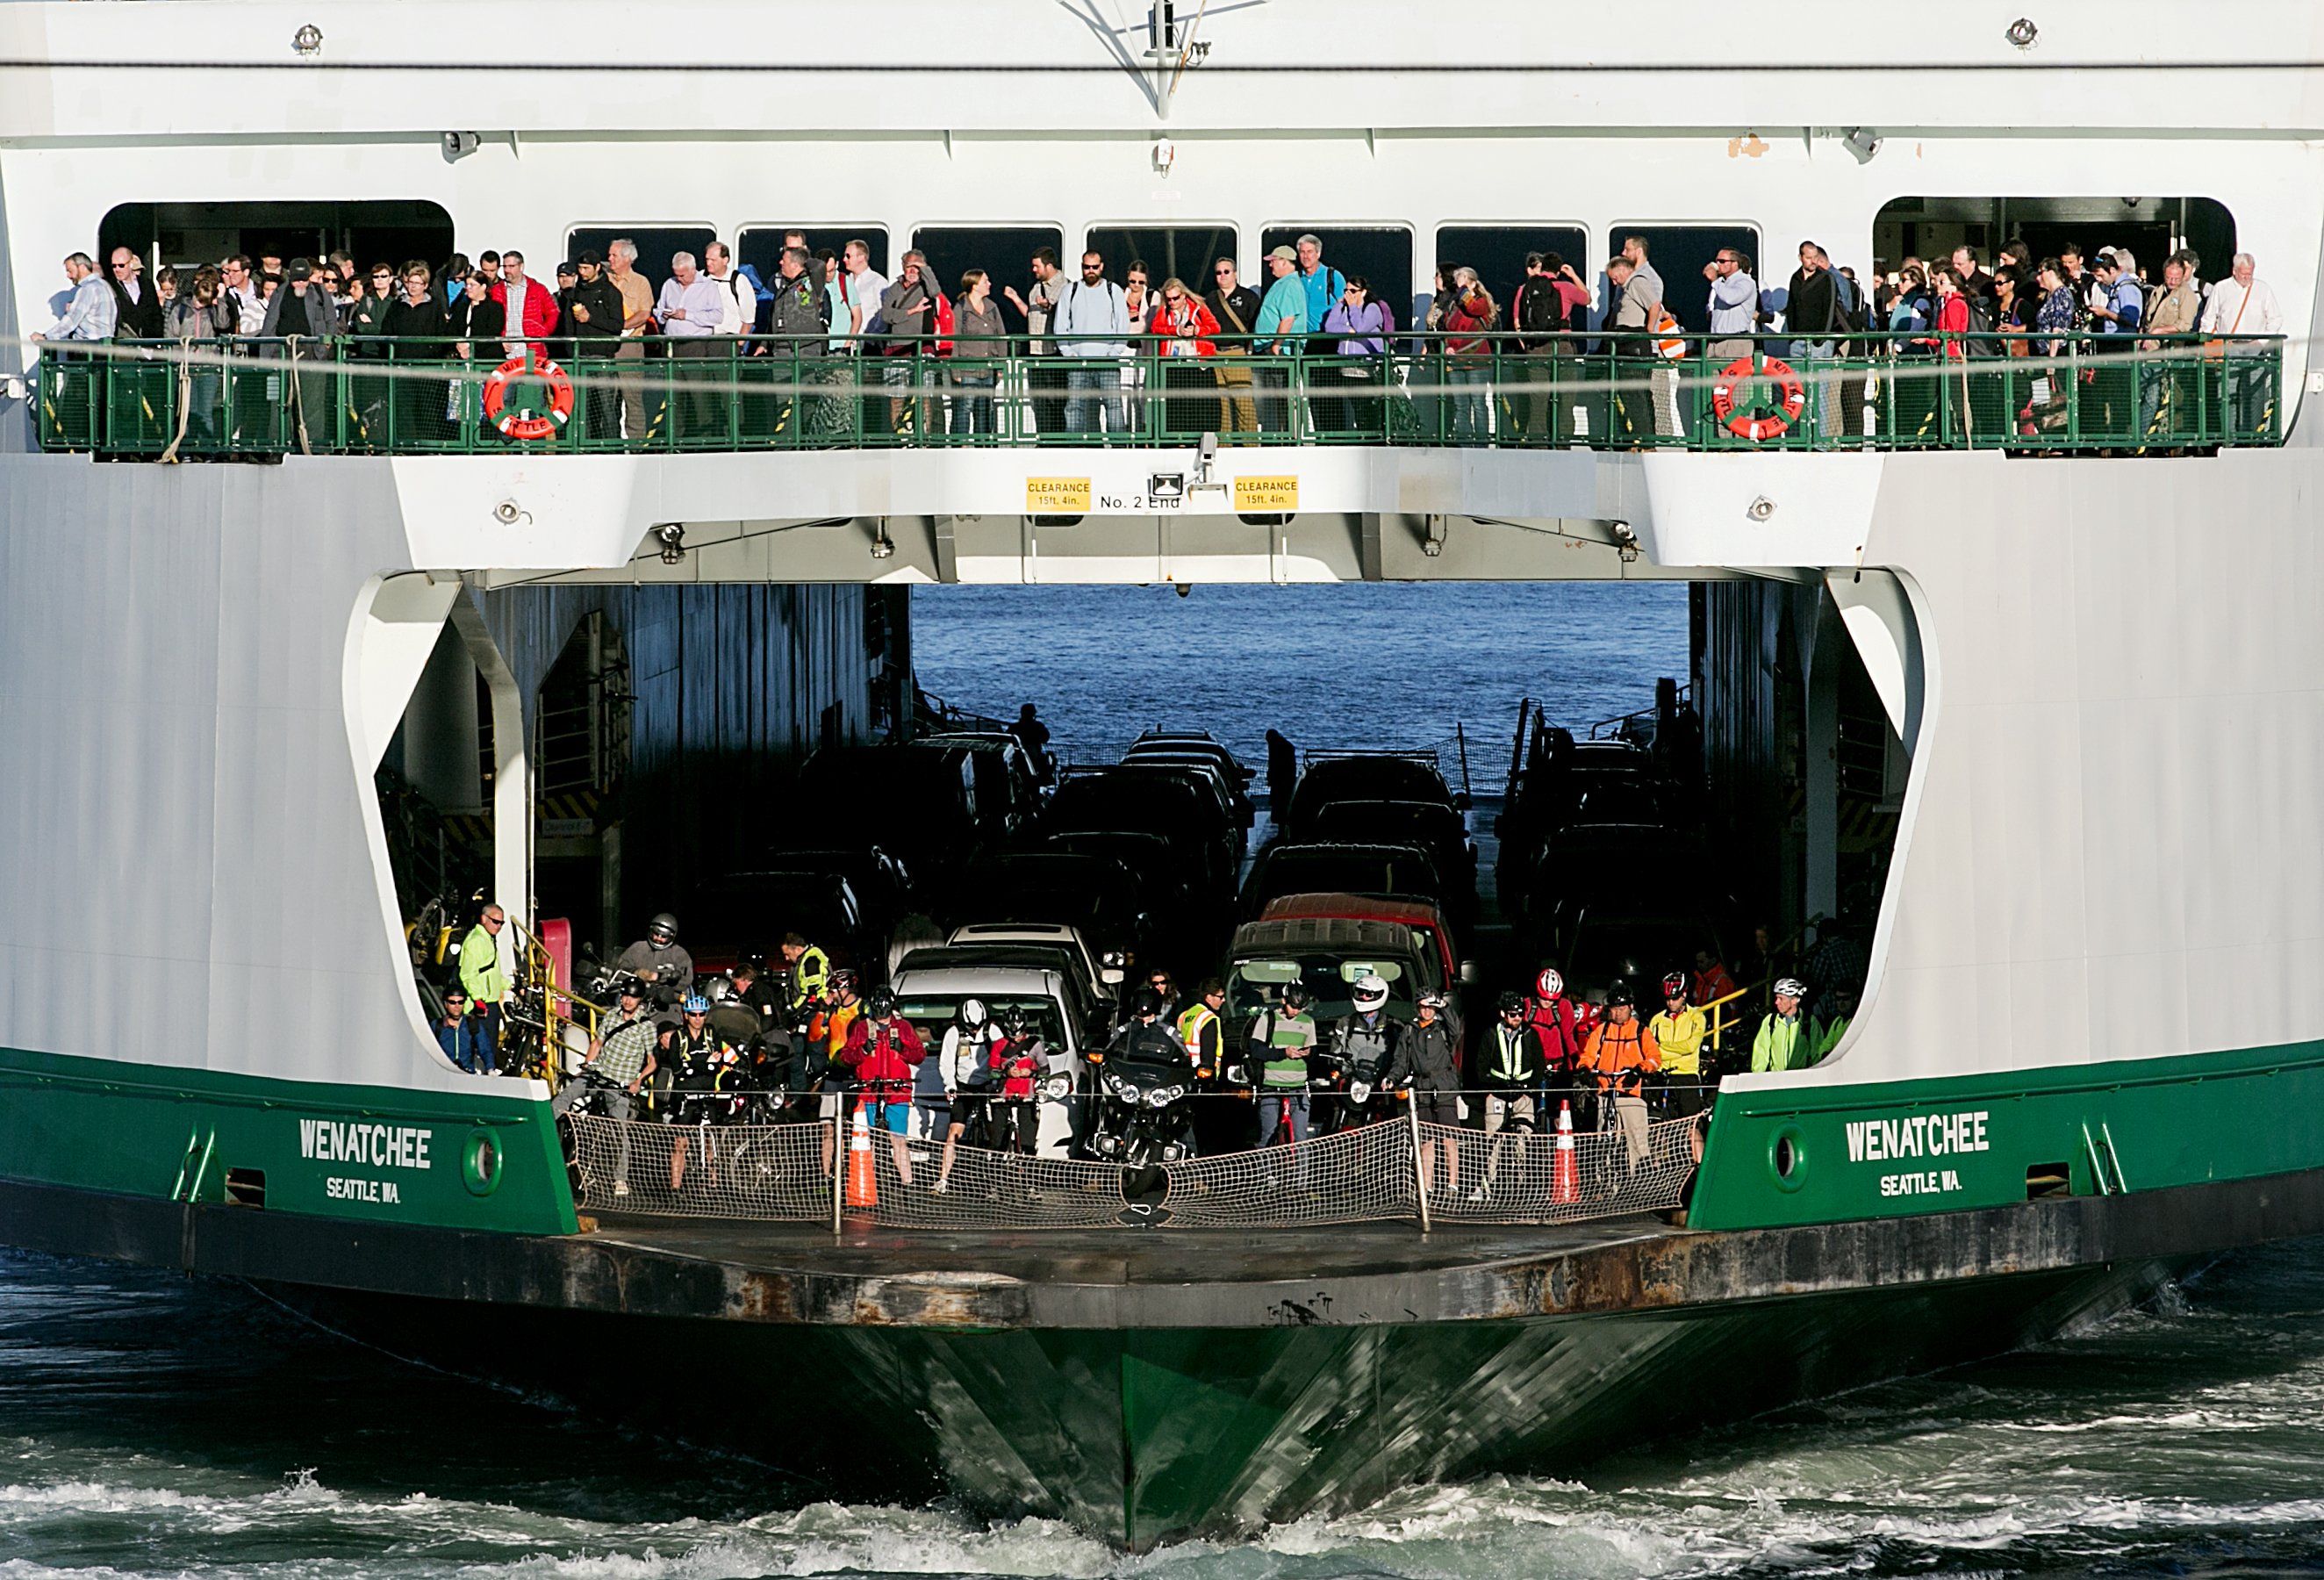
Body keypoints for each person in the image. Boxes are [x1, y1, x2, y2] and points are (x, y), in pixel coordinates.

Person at [550, 980, 658, 1198]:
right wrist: (587, 1065)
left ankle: (620, 1178)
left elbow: (652, 1061)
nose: (627, 1000)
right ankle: (543, 1134)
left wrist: (638, 1081)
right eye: (625, 995)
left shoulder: (646, 1026)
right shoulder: (611, 1016)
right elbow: (597, 1043)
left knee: (619, 1130)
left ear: (640, 1000)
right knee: (566, 1095)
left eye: (632, 997)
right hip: (599, 1073)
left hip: (619, 1083)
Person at [841, 989, 926, 1185]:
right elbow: (846, 1056)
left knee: (899, 1140)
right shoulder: (862, 1028)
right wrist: (863, 1051)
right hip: (869, 1091)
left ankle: (907, 1184)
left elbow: (919, 1055)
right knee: (867, 1140)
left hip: (897, 1091)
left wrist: (903, 1050)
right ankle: (866, 1184)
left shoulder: (903, 1027)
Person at [2200, 253, 2283, 440]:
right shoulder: (2221, 288)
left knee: (2254, 394)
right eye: (2244, 273)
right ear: (2234, 271)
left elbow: (2275, 319)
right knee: (2226, 393)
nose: (2247, 277)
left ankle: (2252, 437)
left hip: (2255, 348)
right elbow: (2208, 319)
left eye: (2250, 273)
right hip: (2229, 346)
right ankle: (2230, 437)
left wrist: (2261, 342)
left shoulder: (2263, 289)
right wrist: (2215, 342)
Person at [1581, 982, 1661, 1176]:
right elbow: (1588, 1055)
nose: (1617, 1013)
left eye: (1622, 1009)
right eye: (1614, 1009)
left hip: (1631, 1094)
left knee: (1638, 1140)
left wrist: (1639, 1070)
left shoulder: (1640, 1031)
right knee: (1603, 1138)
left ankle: (1640, 1178)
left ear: (1631, 1007)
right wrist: (1585, 1070)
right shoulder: (1602, 1031)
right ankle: (1602, 1178)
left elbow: (1654, 1058)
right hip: (1606, 1092)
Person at [1474, 990, 1547, 1199]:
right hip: (1498, 1092)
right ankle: (1487, 1183)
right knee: (1492, 1138)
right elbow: (1481, 1066)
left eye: (1520, 1014)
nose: (1517, 1018)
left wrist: (1530, 1087)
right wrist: (1493, 1084)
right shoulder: (1491, 1034)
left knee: (1524, 1138)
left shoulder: (1530, 1034)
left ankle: (1524, 1183)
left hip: (1523, 1094)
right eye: (1513, 1014)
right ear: (1503, 1014)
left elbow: (1539, 1065)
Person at [663, 995, 736, 1192]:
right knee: (680, 1143)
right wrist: (705, 1063)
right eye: (693, 1014)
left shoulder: (712, 1034)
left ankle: (713, 1185)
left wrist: (693, 1065)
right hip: (685, 1095)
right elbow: (678, 1069)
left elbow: (717, 1066)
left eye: (701, 1014)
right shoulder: (678, 1037)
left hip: (708, 1092)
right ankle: (675, 1188)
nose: (697, 1018)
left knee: (711, 1140)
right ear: (686, 1016)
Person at [1054, 249, 1131, 435]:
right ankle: (1075, 446)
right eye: (1086, 267)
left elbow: (1123, 325)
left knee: (1113, 405)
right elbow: (1060, 325)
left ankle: (1118, 446)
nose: (1090, 271)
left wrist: (1113, 353)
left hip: (1107, 361)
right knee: (1074, 406)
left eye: (1094, 267)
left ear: (1101, 267)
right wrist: (1069, 353)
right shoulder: (1070, 290)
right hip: (1077, 362)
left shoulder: (1113, 290)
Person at [164, 264, 238, 452]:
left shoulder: (212, 310)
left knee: (205, 412)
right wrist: (179, 357)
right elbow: (170, 336)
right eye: (198, 300)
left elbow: (224, 324)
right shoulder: (180, 309)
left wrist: (220, 300)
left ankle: (207, 450)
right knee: (189, 411)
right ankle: (188, 449)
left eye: (204, 302)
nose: (199, 305)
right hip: (186, 367)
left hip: (207, 367)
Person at [933, 999, 1004, 1190]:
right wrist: (950, 1085)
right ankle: (943, 1179)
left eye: (978, 1027)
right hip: (963, 1087)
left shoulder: (993, 1031)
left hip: (988, 1086)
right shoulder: (954, 1033)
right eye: (971, 1027)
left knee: (994, 1131)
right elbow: (946, 1062)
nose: (975, 1030)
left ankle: (995, 1176)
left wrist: (997, 1082)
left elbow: (1002, 1057)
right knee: (954, 1133)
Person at [877, 249, 949, 435]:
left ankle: (925, 436)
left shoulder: (926, 287)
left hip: (922, 347)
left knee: (925, 395)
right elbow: (887, 315)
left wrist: (925, 269)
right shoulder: (894, 288)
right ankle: (898, 436)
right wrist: (911, 311)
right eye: (909, 266)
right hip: (897, 347)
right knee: (896, 396)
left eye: (917, 267)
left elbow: (936, 291)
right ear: (903, 267)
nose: (912, 270)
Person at [655, 251, 725, 440]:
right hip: (671, 346)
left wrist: (688, 315)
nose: (679, 279)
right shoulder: (669, 284)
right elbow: (658, 310)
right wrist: (664, 315)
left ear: (693, 270)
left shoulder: (708, 286)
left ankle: (703, 440)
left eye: (683, 275)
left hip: (695, 346)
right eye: (676, 274)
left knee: (699, 396)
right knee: (674, 397)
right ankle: (675, 440)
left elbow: (717, 316)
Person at [382, 262, 450, 443]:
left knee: (427, 407)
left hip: (427, 365)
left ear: (425, 285)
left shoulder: (434, 306)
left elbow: (441, 334)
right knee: (404, 407)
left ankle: (428, 444)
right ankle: (406, 443)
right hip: (402, 364)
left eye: (417, 283)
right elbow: (387, 331)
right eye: (410, 282)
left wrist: (433, 353)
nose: (412, 287)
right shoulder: (397, 306)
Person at [1247, 981, 1318, 1153]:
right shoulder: (1267, 1019)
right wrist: (1283, 1053)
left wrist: (1309, 1053)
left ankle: (1302, 1171)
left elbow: (1314, 1052)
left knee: (1302, 1139)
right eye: (1293, 1007)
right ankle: (1267, 1169)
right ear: (1284, 1001)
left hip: (1299, 1086)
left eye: (1301, 1008)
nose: (1296, 1011)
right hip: (1271, 1085)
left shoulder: (1308, 1022)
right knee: (1268, 1136)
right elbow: (1257, 1051)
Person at [1002, 247, 1066, 434]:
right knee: (1038, 401)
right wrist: (1015, 298)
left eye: (1037, 266)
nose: (1034, 270)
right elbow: (1031, 315)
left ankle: (1058, 441)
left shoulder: (1065, 285)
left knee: (1056, 401)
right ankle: (1043, 438)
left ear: (1049, 266)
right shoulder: (1036, 287)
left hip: (1053, 352)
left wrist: (1049, 306)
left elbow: (1062, 312)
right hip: (1035, 352)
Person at [561, 251, 625, 439]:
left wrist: (590, 318)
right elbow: (568, 325)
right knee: (581, 407)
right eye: (580, 268)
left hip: (602, 357)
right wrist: (571, 351)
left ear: (597, 267)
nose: (582, 272)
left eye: (586, 268)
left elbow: (617, 325)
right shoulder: (575, 293)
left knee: (606, 406)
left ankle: (611, 445)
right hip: (580, 357)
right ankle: (583, 444)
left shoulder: (611, 292)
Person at [1329, 973, 1403, 1130]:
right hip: (1353, 1081)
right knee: (1335, 1118)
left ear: (1379, 996)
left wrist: (1392, 1076)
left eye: (1368, 994)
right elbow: (1336, 1051)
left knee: (1391, 1122)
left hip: (1380, 1083)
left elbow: (1401, 1055)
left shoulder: (1393, 1025)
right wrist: (1340, 1070)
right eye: (1360, 993)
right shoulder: (1345, 1023)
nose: (1362, 997)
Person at [1407, 988, 1462, 1196]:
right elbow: (1401, 1059)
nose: (1427, 1011)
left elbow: (1456, 1030)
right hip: (1423, 1089)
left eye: (1430, 1007)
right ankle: (1427, 1185)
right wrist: (1391, 1078)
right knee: (1426, 1140)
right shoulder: (1410, 1030)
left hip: (1445, 1087)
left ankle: (1452, 1184)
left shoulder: (1443, 1029)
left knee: (1449, 1138)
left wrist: (1444, 1006)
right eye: (1423, 1007)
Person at [1316, 276, 1388, 435]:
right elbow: (1330, 327)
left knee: (1366, 407)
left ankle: (1370, 437)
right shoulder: (1342, 307)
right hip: (1347, 366)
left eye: (1353, 291)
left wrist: (1354, 308)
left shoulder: (1372, 308)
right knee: (1355, 406)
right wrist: (1348, 330)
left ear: (1363, 292)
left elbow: (1361, 328)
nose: (1349, 294)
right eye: (1346, 290)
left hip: (1366, 367)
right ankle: (1359, 436)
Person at [1154, 276, 1222, 435]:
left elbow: (1215, 327)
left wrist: (1197, 330)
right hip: (1173, 364)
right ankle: (1178, 440)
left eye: (1175, 298)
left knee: (1201, 404)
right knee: (1176, 405)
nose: (1172, 302)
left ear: (1184, 295)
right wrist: (1176, 330)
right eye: (1169, 299)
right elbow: (1156, 328)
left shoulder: (1199, 307)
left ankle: (1201, 439)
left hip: (1198, 362)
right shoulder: (1164, 310)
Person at [1253, 245, 1309, 434]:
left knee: (1281, 399)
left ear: (1284, 262)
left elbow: (1288, 318)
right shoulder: (1283, 283)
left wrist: (1276, 345)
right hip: (1272, 349)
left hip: (1281, 353)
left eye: (1273, 261)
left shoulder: (1290, 285)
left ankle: (1286, 437)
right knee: (1274, 400)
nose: (1270, 265)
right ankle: (1278, 435)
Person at [1205, 257, 1263, 435]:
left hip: (1237, 352)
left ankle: (1250, 444)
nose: (1222, 275)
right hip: (1215, 354)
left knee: (1243, 403)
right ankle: (1224, 444)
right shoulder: (1211, 298)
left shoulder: (1248, 297)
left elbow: (1256, 326)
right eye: (1218, 272)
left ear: (1235, 274)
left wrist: (1249, 350)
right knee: (1221, 404)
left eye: (1226, 271)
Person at [1442, 268, 1496, 442]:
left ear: (1472, 282)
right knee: (1461, 405)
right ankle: (1464, 442)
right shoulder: (1455, 304)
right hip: (1456, 360)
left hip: (1477, 360)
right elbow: (1448, 328)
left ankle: (1481, 442)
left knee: (1478, 403)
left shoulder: (1482, 302)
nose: (1459, 285)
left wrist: (1465, 290)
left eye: (1462, 281)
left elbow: (1473, 308)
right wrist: (1448, 347)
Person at [1527, 966, 1585, 1130]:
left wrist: (1576, 1061)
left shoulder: (1563, 1006)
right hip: (1533, 1064)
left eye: (1552, 1000)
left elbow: (1568, 1036)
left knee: (1561, 1111)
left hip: (1557, 1065)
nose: (1547, 1002)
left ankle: (1561, 1138)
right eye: (1544, 998)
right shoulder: (1528, 1006)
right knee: (1528, 1109)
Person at [950, 269, 1006, 436]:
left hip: (989, 367)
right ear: (974, 285)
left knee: (985, 408)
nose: (989, 284)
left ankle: (983, 443)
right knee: (965, 407)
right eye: (985, 281)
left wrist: (1001, 365)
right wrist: (955, 369)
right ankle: (962, 442)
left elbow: (1001, 337)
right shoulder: (961, 308)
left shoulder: (992, 307)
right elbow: (954, 339)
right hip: (967, 367)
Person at [456, 903, 511, 1073]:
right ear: (484, 918)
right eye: (495, 921)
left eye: (502, 923)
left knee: (489, 1049)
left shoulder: (488, 939)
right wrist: (478, 999)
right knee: (483, 1050)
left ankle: (487, 1075)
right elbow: (467, 974)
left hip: (489, 1003)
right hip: (480, 1006)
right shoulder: (476, 941)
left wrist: (511, 986)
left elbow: (491, 973)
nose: (499, 926)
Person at [1649, 973, 1710, 1117]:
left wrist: (1663, 1046)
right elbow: (1651, 1051)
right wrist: (1678, 1052)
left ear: (1684, 995)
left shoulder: (1697, 1016)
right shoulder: (1657, 1019)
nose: (1670, 1003)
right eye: (1667, 999)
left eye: (1675, 998)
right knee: (1662, 1124)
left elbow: (1690, 1047)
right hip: (1662, 1075)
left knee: (1691, 1123)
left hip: (1687, 1075)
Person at [990, 1007, 1045, 1157]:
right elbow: (991, 1072)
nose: (1016, 1038)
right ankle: (997, 1166)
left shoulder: (1034, 1044)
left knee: (1028, 1144)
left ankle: (1027, 1168)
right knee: (997, 1143)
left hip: (1027, 1096)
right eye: (1012, 1035)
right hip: (1003, 1097)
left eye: (1019, 1035)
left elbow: (1046, 1070)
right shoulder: (999, 1045)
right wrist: (1006, 1073)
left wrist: (1031, 1072)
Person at [615, 912, 694, 1016]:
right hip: (635, 1005)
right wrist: (636, 973)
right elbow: (619, 971)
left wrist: (660, 977)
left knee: (668, 1026)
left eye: (664, 937)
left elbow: (685, 980)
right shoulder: (637, 948)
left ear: (672, 937)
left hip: (666, 1009)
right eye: (656, 934)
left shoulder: (679, 954)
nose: (658, 938)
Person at [491, 249, 558, 356]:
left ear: (521, 266)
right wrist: (498, 339)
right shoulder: (496, 290)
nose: (507, 270)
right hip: (505, 351)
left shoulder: (538, 289)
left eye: (511, 266)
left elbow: (553, 312)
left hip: (531, 350)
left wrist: (543, 332)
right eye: (505, 266)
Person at [1704, 247, 1758, 363]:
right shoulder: (1722, 283)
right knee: (1710, 374)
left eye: (1722, 261)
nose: (1717, 264)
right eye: (1717, 261)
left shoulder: (1746, 282)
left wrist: (1714, 281)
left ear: (1735, 264)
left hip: (1736, 341)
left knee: (1734, 375)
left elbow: (1731, 298)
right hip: (1716, 341)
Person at [1751, 978, 1816, 1073]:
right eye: (1776, 998)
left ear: (1794, 1000)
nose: (1776, 1002)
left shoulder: (1809, 1021)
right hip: (1776, 1079)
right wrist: (1757, 1077)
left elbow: (1817, 1053)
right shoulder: (1770, 1021)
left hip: (1801, 1078)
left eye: (1781, 998)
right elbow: (1760, 1052)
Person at [105, 247, 165, 341]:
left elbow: (156, 313)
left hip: (149, 342)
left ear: (131, 263)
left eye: (121, 265)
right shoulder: (109, 286)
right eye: (114, 266)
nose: (117, 269)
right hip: (124, 343)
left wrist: (156, 336)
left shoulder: (147, 284)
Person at [434, 987, 489, 1075]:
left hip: (467, 1073)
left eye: (461, 1002)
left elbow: (485, 1049)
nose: (457, 1006)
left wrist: (490, 1068)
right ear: (446, 1004)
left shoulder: (472, 1024)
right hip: (443, 1074)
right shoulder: (437, 1026)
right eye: (452, 1002)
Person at [779, 933, 830, 1014]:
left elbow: (811, 994)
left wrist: (793, 1008)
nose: (786, 958)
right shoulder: (801, 962)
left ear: (798, 949)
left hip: (815, 1010)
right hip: (808, 1009)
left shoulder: (811, 961)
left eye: (787, 954)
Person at [1008, 704, 1053, 783]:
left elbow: (1007, 738)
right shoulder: (1038, 726)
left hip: (1017, 758)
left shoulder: (1014, 727)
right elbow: (1046, 738)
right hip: (1034, 759)